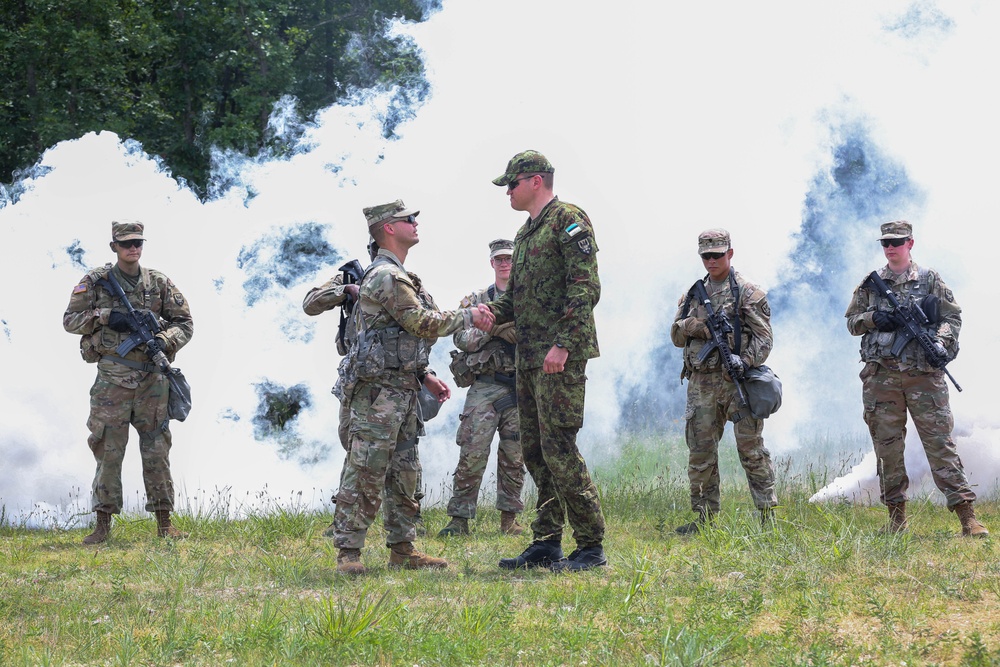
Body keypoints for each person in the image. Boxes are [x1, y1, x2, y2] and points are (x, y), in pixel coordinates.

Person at [330, 199, 495, 575]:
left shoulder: (400, 274)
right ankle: (349, 553)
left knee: (404, 469)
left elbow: (399, 338)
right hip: (377, 394)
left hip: (401, 390)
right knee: (367, 468)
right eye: (409, 219)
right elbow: (419, 322)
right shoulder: (386, 275)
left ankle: (403, 549)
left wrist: (423, 375)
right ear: (388, 227)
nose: (416, 222)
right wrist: (469, 315)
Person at [486, 150, 607, 572]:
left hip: (559, 357)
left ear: (536, 181)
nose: (508, 192)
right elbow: (515, 299)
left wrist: (564, 345)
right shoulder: (524, 235)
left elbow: (585, 287)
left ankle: (591, 544)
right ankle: (546, 541)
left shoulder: (567, 220)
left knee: (560, 448)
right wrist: (487, 315)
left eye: (512, 184)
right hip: (530, 358)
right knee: (535, 452)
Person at [845, 220, 987, 537]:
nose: (891, 247)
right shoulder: (871, 284)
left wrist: (941, 344)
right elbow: (852, 322)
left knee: (941, 446)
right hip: (881, 378)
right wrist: (874, 318)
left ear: (911, 243)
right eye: (886, 243)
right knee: (888, 450)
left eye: (897, 241)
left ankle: (967, 517)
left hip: (924, 378)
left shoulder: (929, 279)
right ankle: (896, 520)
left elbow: (952, 317)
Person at [63, 220, 194, 544]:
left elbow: (185, 323)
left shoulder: (158, 282)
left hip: (152, 380)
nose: (132, 248)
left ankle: (165, 524)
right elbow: (70, 321)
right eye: (126, 244)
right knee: (108, 450)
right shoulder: (96, 281)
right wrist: (105, 316)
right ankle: (102, 525)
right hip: (113, 381)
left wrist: (164, 341)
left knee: (157, 451)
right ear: (114, 247)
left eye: (137, 242)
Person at [669, 229, 777, 534]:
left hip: (737, 382)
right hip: (702, 384)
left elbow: (765, 339)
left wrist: (744, 361)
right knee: (700, 452)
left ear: (730, 253)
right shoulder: (693, 294)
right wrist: (694, 326)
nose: (712, 260)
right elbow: (676, 336)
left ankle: (767, 516)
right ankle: (704, 519)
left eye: (717, 254)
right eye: (706, 255)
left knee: (751, 449)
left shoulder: (748, 292)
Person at [438, 239, 526, 538]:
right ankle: (459, 518)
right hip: (485, 385)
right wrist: (497, 329)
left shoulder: (527, 297)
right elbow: (461, 339)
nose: (505, 264)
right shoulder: (477, 299)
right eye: (499, 259)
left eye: (509, 259)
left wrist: (491, 327)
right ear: (492, 263)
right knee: (472, 452)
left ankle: (510, 518)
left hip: (519, 385)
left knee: (515, 455)